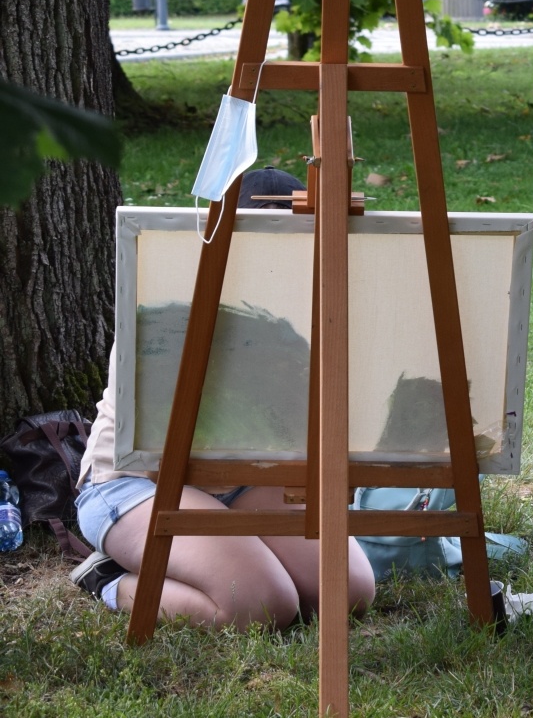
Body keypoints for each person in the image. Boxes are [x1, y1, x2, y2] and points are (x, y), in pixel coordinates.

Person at [70, 167, 376, 629]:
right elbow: (164, 440)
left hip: (245, 478)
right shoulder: (168, 306)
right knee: (263, 606)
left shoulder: (303, 306)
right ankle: (110, 579)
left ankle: (228, 554)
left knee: (349, 594)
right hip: (141, 482)